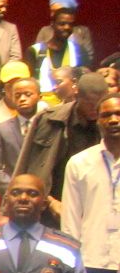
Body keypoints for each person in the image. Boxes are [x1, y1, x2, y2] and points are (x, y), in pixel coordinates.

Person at [12, 71, 107, 213]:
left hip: (95, 204)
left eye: (99, 103)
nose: (95, 108)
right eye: (89, 102)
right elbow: (25, 163)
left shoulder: (110, 124)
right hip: (49, 203)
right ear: (76, 96)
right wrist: (50, 201)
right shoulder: (49, 120)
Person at [62, 93, 120, 273]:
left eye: (118, 113)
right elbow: (70, 219)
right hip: (91, 260)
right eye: (106, 115)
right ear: (98, 120)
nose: (113, 120)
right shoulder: (79, 163)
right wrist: (71, 261)